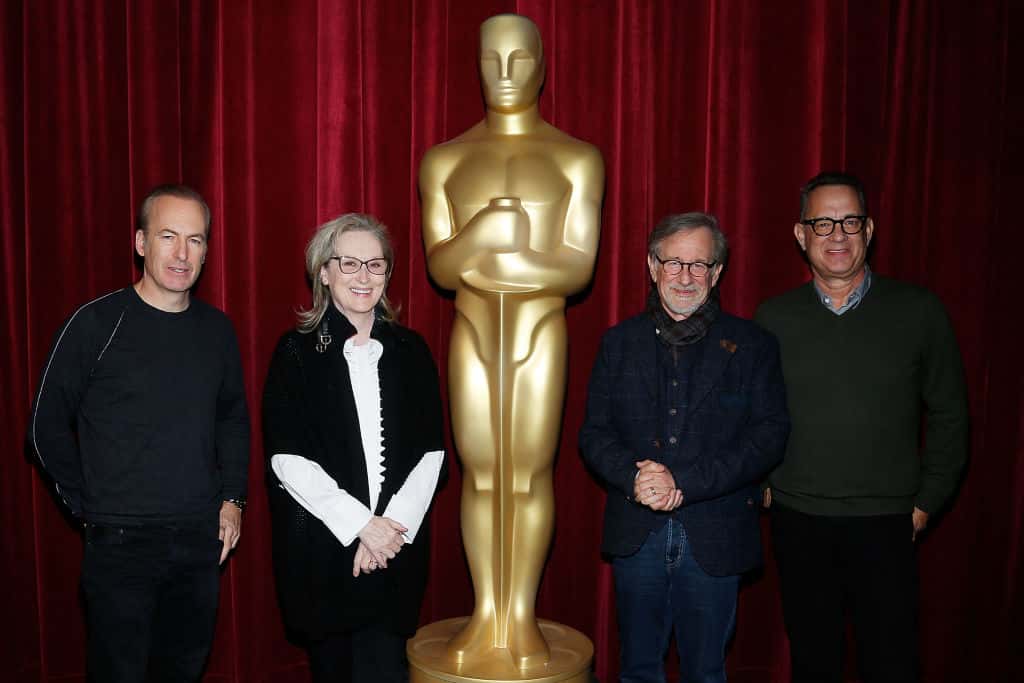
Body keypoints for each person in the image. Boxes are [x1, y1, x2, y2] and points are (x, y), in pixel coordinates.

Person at [418, 13, 603, 669]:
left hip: (539, 329)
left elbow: (577, 267)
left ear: (543, 64)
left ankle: (519, 615)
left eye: (519, 59)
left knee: (527, 474)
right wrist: (483, 235)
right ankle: (485, 612)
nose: (503, 74)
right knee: (481, 474)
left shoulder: (576, 158)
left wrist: (505, 256)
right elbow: (443, 266)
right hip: (471, 328)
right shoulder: (445, 159)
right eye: (491, 59)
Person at [29, 184, 251, 682]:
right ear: (140, 242)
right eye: (168, 236)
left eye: (195, 240)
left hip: (199, 540)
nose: (182, 253)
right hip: (120, 544)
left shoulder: (218, 332)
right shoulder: (95, 324)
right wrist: (91, 508)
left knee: (184, 670)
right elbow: (44, 428)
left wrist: (233, 499)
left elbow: (232, 418)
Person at [755, 172, 968, 683]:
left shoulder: (919, 312)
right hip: (798, 519)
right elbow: (749, 414)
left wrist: (926, 503)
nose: (837, 234)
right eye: (821, 222)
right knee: (813, 661)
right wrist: (762, 487)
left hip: (887, 521)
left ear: (868, 230)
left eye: (849, 221)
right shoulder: (772, 318)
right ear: (800, 234)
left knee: (890, 661)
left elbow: (950, 414)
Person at [580, 212, 789, 683]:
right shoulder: (618, 343)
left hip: (716, 536)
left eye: (699, 265)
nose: (686, 276)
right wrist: (636, 477)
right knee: (637, 670)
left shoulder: (754, 346)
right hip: (637, 533)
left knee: (706, 673)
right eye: (674, 263)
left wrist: (685, 483)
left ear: (717, 272)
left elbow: (769, 436)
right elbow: (593, 434)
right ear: (652, 266)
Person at [263, 213, 446, 683]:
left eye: (375, 265)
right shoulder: (295, 352)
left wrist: (387, 534)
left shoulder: (413, 350)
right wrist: (361, 525)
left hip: (396, 551)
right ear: (323, 271)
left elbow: (432, 455)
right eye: (349, 264)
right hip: (324, 556)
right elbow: (287, 459)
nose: (363, 277)